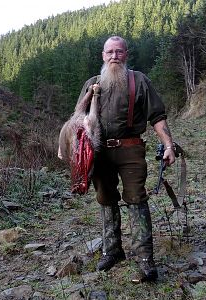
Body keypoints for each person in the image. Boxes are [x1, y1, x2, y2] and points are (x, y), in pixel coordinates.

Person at [75, 36, 176, 283]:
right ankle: (112, 250)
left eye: (119, 52)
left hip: (131, 149)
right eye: (109, 52)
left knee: (136, 199)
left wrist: (169, 145)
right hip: (99, 152)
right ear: (102, 55)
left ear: (126, 54)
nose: (114, 56)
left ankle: (145, 260)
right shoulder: (92, 83)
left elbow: (157, 117)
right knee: (105, 198)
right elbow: (78, 119)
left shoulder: (139, 81)